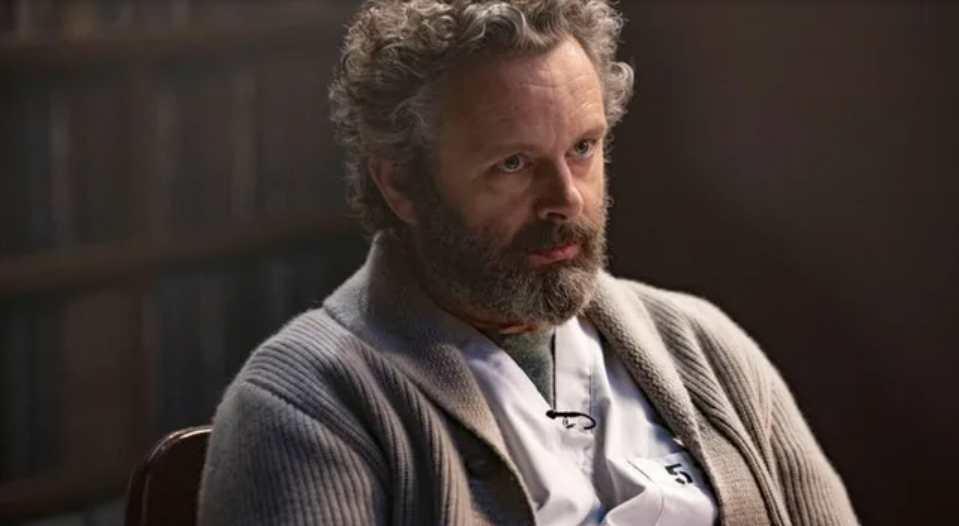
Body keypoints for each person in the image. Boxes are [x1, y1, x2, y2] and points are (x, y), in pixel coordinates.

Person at [197, 1, 859, 524]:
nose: (565, 199)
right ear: (400, 183)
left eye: (582, 148)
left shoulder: (705, 347)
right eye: (513, 164)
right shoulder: (303, 404)